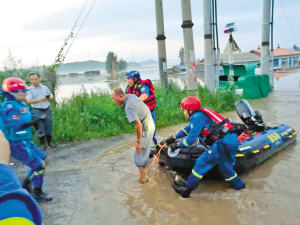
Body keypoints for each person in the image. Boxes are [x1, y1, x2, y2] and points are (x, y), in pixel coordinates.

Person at [166, 96, 245, 198]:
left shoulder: (197, 117)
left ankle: (187, 189)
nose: (183, 112)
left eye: (184, 110)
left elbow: (190, 140)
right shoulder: (201, 114)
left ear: (190, 110)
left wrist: (177, 144)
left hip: (222, 142)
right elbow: (187, 129)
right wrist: (174, 137)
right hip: (232, 139)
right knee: (225, 168)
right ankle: (240, 186)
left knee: (201, 163)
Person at [0, 77, 52, 201]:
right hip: (15, 143)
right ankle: (37, 192)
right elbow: (17, 124)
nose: (24, 92)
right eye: (21, 90)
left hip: (25, 141)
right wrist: (36, 120)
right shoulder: (9, 107)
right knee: (39, 165)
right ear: (12, 92)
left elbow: (28, 116)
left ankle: (27, 182)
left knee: (44, 158)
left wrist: (38, 119)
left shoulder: (19, 104)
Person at [111, 87, 155, 183]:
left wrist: (138, 142)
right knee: (148, 148)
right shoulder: (131, 96)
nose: (113, 101)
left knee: (139, 154)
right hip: (150, 123)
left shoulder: (128, 107)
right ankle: (159, 159)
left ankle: (143, 179)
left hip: (146, 128)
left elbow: (138, 125)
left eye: (114, 98)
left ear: (121, 96)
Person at [0, 130, 43, 225]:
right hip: (19, 144)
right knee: (39, 165)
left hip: (27, 142)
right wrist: (2, 170)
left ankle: (33, 187)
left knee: (41, 163)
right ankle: (35, 189)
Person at [125, 70, 157, 146]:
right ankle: (150, 149)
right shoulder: (129, 89)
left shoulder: (143, 86)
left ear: (135, 79)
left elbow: (145, 95)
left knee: (150, 133)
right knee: (142, 133)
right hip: (139, 115)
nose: (127, 81)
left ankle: (156, 149)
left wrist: (135, 102)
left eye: (129, 79)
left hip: (149, 113)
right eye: (127, 79)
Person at [26, 73, 55, 149]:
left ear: (39, 79)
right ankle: (42, 145)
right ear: (30, 80)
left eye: (35, 79)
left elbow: (51, 96)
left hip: (47, 109)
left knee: (48, 126)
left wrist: (48, 98)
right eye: (32, 80)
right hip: (37, 110)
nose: (34, 81)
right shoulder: (30, 90)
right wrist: (40, 99)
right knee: (40, 128)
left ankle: (50, 143)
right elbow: (28, 101)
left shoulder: (44, 87)